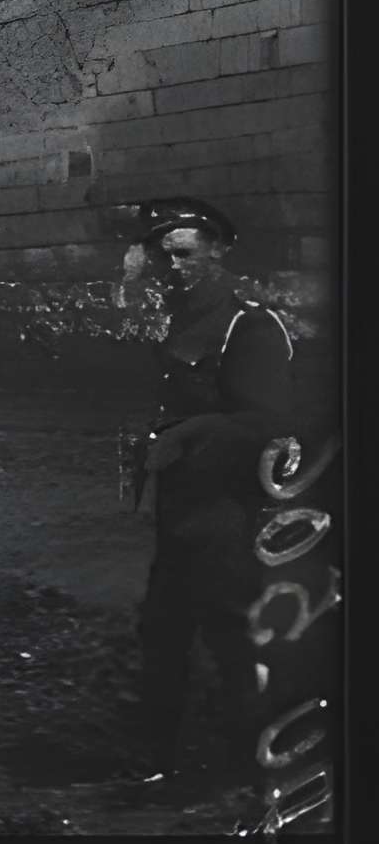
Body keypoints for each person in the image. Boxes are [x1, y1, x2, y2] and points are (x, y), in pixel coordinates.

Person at [124, 199, 296, 787]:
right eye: (160, 256)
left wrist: (193, 433)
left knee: (231, 633)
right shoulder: (177, 319)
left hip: (231, 511)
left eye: (183, 254)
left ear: (218, 250)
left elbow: (272, 422)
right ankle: (156, 759)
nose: (170, 266)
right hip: (181, 509)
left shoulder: (248, 326)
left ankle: (257, 767)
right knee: (162, 629)